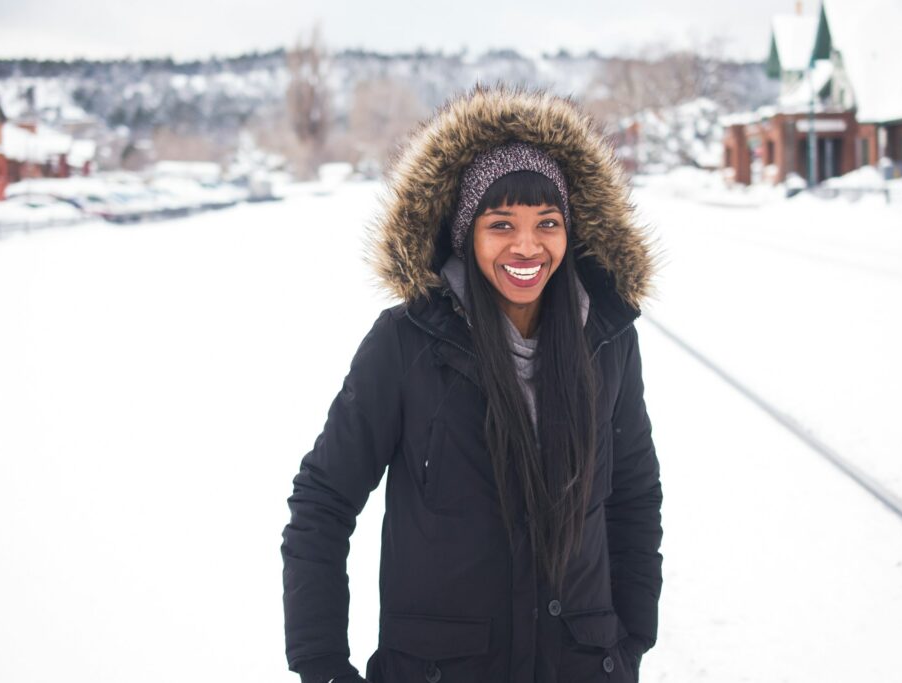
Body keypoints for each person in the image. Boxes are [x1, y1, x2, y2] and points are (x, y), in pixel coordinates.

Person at [281, 84, 663, 683]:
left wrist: (632, 636)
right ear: (466, 233)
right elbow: (322, 504)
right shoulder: (407, 342)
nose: (527, 246)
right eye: (501, 223)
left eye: (548, 222)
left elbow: (634, 496)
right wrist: (322, 664)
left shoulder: (606, 340)